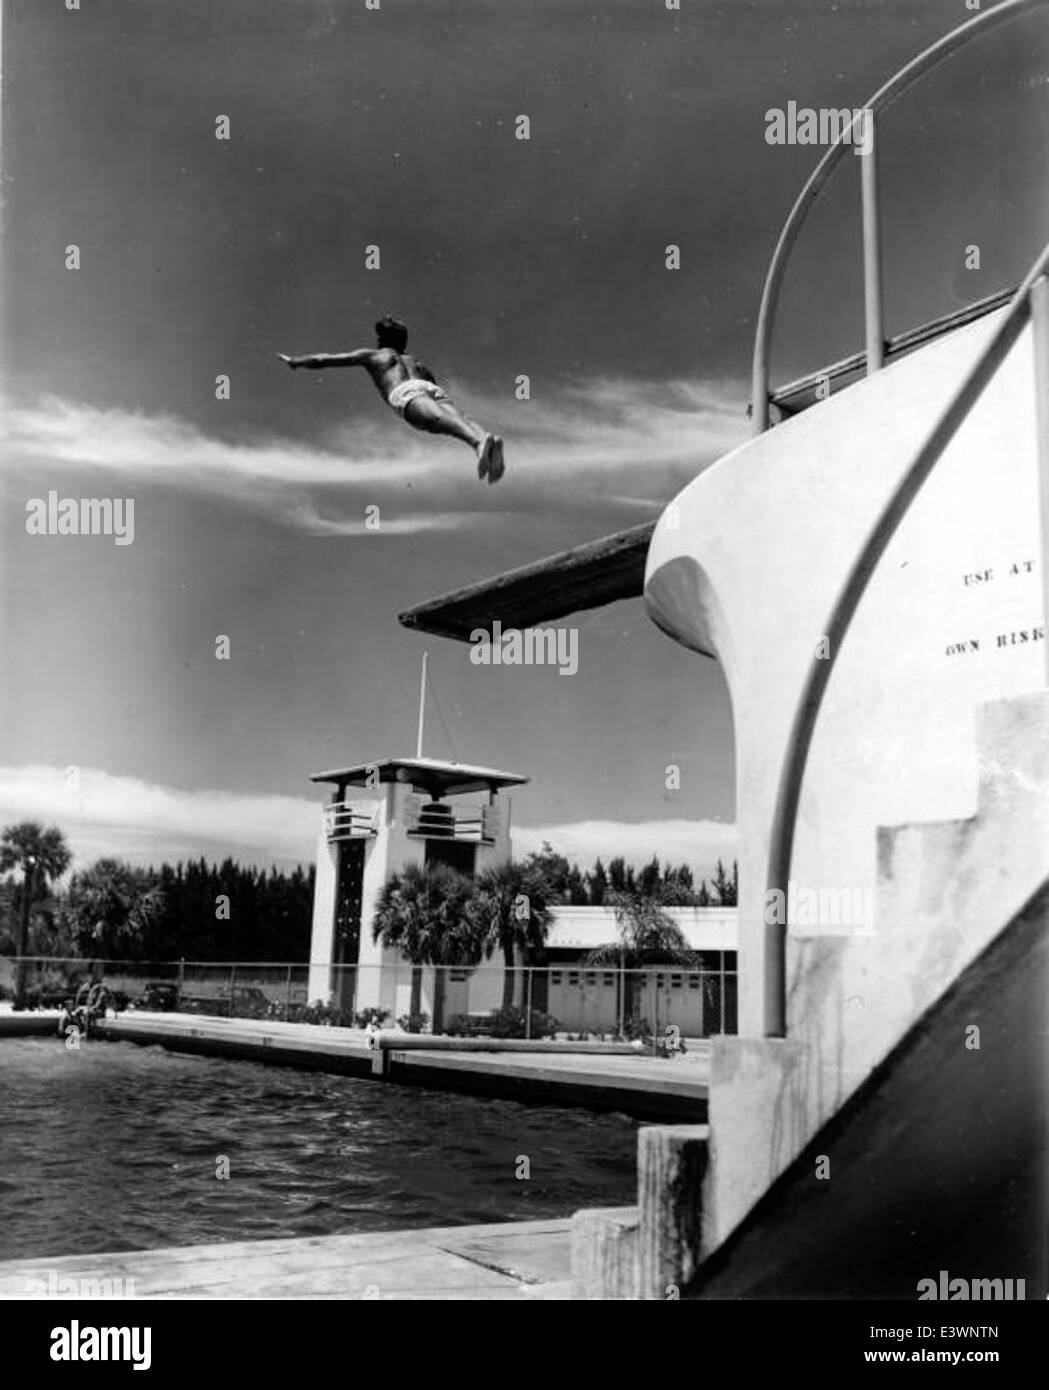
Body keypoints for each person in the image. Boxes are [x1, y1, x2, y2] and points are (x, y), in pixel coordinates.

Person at [278, 316, 505, 483]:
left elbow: (325, 360)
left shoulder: (374, 355)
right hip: (431, 387)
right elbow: (432, 385)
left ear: (381, 339)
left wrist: (296, 362)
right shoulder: (416, 361)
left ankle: (478, 444)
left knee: (437, 420)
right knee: (458, 418)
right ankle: (484, 437)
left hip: (406, 390)